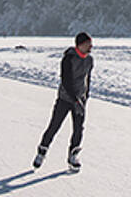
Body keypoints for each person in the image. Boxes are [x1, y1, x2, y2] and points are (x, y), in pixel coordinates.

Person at [33, 32, 94, 172]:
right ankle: (42, 151)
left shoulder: (90, 60)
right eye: (88, 44)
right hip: (65, 99)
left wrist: (85, 97)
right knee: (54, 125)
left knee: (78, 129)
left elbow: (87, 79)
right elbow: (66, 81)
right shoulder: (69, 58)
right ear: (80, 44)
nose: (91, 46)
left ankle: (73, 156)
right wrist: (74, 100)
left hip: (80, 99)